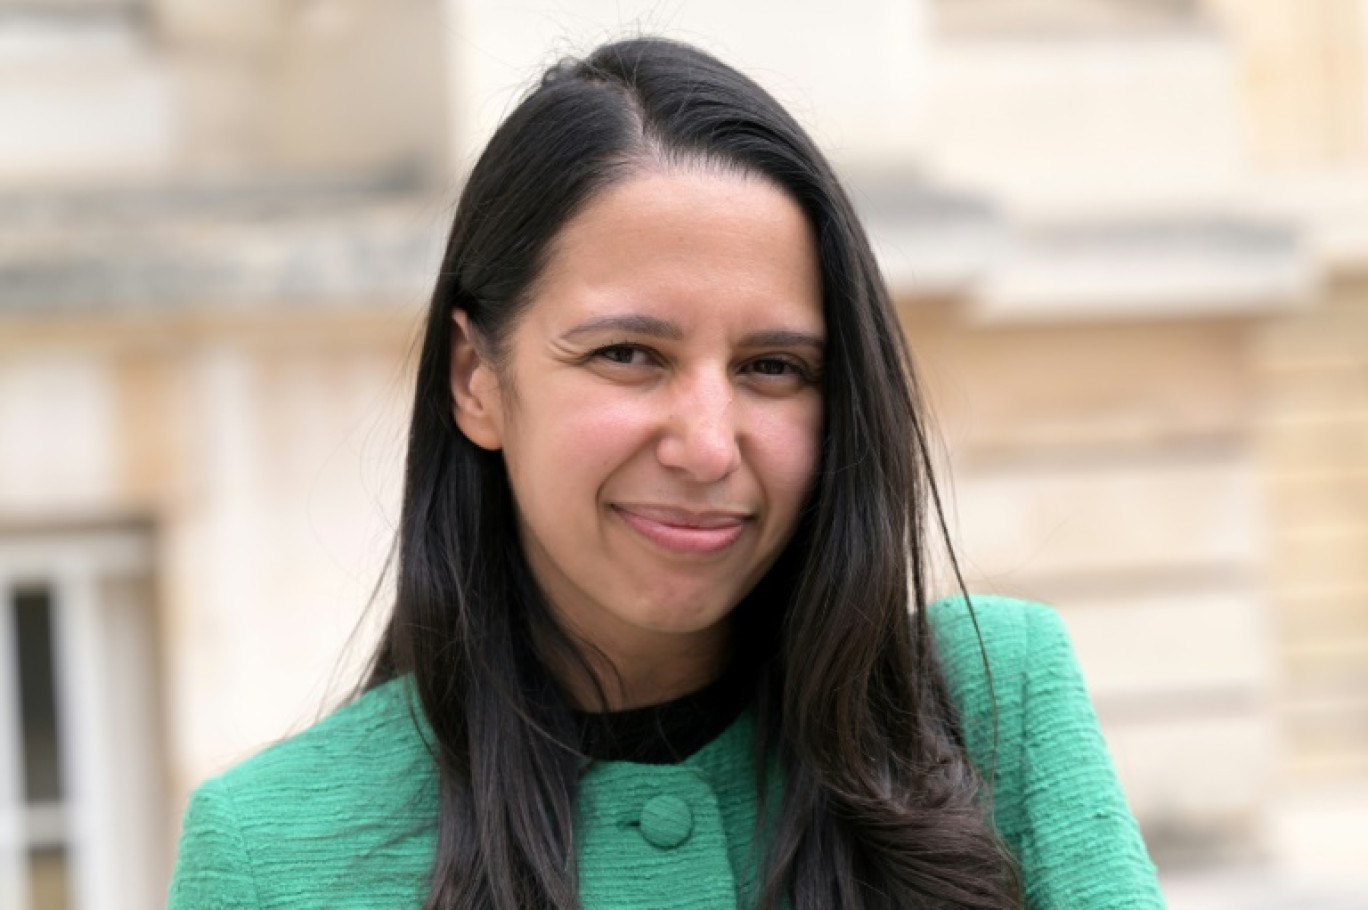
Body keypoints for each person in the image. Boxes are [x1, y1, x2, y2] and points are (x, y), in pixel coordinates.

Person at [167, 37, 1164, 909]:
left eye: (774, 368)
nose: (707, 444)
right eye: (628, 355)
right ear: (477, 381)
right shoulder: (273, 851)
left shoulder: (994, 709)